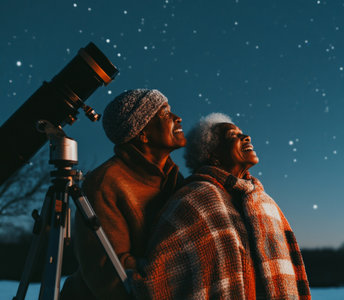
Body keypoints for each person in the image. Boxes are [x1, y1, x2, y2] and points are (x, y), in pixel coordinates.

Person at [131, 113, 311, 299]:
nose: (246, 137)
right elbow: (161, 277)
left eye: (242, 133)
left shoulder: (265, 203)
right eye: (232, 135)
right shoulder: (195, 198)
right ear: (212, 154)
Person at [61, 89, 186, 300]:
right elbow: (108, 272)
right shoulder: (104, 184)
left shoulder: (174, 178)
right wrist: (181, 270)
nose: (178, 118)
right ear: (142, 134)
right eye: (165, 114)